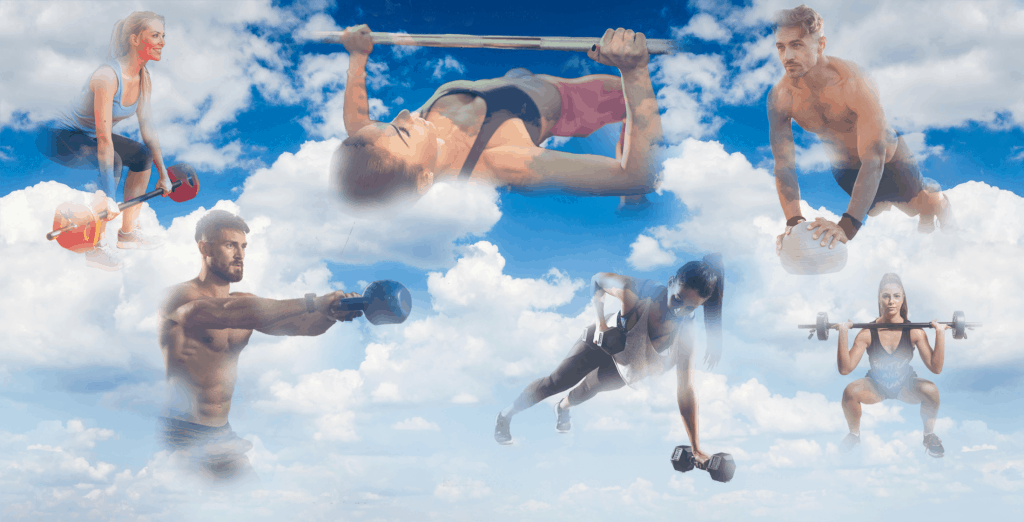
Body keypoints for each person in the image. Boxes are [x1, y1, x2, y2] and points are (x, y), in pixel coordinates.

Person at [331, 25, 662, 212]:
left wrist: (357, 56)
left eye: (390, 124)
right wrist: (634, 73)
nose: (403, 115)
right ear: (423, 180)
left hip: (515, 80)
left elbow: (358, 124)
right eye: (402, 132)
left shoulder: (395, 147)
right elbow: (636, 176)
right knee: (632, 101)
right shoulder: (504, 162)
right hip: (569, 103)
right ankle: (633, 206)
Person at [158, 210, 363, 481]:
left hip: (221, 433)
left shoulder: (246, 303)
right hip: (182, 433)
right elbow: (226, 312)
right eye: (230, 245)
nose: (240, 255)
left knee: (252, 496)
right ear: (204, 248)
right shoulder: (179, 296)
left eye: (243, 246)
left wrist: (332, 314)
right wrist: (314, 302)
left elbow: (302, 327)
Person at [493, 255, 724, 467]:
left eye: (690, 308)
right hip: (602, 343)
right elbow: (597, 280)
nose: (679, 310)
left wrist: (696, 448)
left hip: (626, 366)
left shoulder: (686, 336)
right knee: (555, 382)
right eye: (677, 299)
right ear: (671, 282)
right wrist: (601, 324)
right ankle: (505, 415)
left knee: (584, 391)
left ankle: (561, 408)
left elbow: (686, 390)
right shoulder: (637, 291)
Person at [768, 5, 957, 254]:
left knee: (919, 205)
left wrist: (847, 227)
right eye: (781, 47)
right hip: (845, 170)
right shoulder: (781, 96)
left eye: (797, 45)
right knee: (879, 210)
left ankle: (939, 203)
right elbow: (784, 164)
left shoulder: (853, 81)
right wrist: (794, 221)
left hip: (888, 161)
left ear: (820, 45)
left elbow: (874, 158)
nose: (787, 56)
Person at [38, 11, 173, 270]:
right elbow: (104, 138)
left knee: (142, 156)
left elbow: (148, 130)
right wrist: (109, 197)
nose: (162, 42)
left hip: (89, 134)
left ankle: (128, 233)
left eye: (163, 36)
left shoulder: (144, 78)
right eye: (155, 35)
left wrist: (164, 175)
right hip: (60, 135)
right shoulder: (107, 76)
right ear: (135, 39)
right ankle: (95, 246)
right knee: (113, 163)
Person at [835, 273, 946, 458]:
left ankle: (929, 436)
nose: (891, 301)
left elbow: (936, 368)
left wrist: (940, 334)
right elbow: (845, 369)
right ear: (879, 299)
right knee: (850, 392)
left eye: (896, 296)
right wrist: (843, 334)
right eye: (886, 296)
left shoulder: (915, 332)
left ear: (903, 298)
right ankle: (854, 435)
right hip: (875, 387)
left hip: (905, 386)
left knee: (931, 390)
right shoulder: (867, 333)